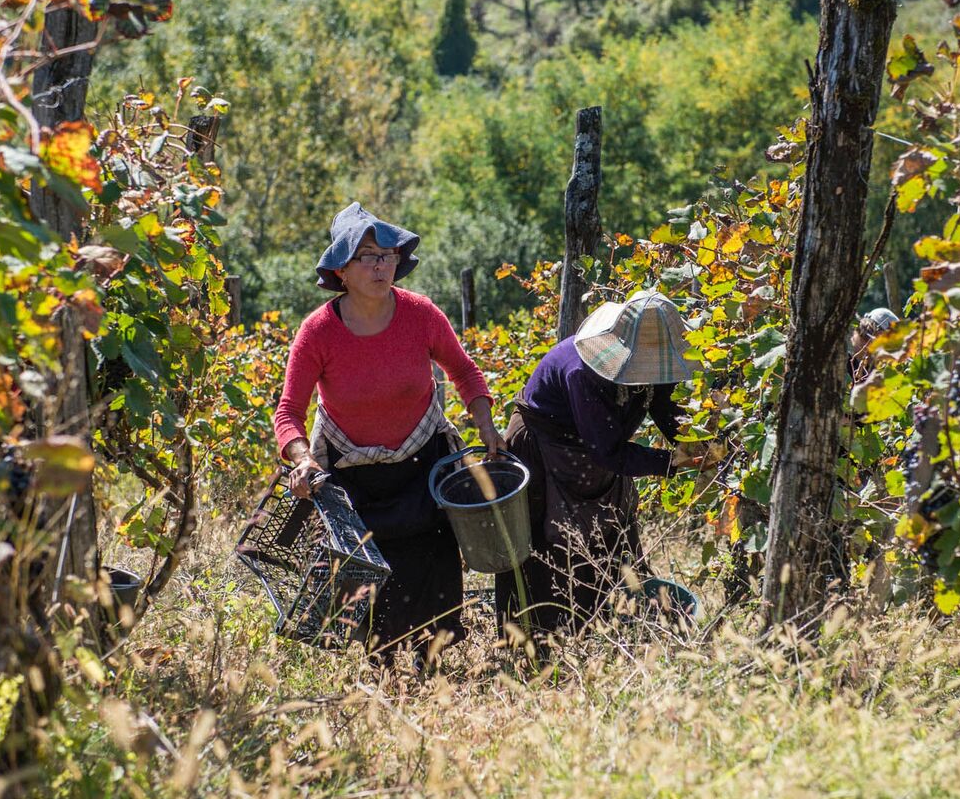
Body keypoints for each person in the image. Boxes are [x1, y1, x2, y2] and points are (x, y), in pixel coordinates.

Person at [273, 203, 505, 667]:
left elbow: (463, 371)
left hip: (423, 465)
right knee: (369, 582)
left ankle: (432, 667)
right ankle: (381, 672)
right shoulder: (318, 331)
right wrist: (300, 458)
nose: (381, 266)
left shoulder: (420, 314)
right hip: (353, 476)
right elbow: (289, 413)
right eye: (367, 256)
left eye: (387, 255)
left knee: (431, 568)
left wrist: (486, 424)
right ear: (341, 269)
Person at [498, 290, 718, 637]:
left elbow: (665, 406)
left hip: (594, 450)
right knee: (550, 547)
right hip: (546, 451)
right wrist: (671, 462)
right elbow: (608, 453)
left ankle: (608, 629)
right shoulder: (582, 372)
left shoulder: (651, 361)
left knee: (613, 537)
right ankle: (542, 642)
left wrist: (697, 445)